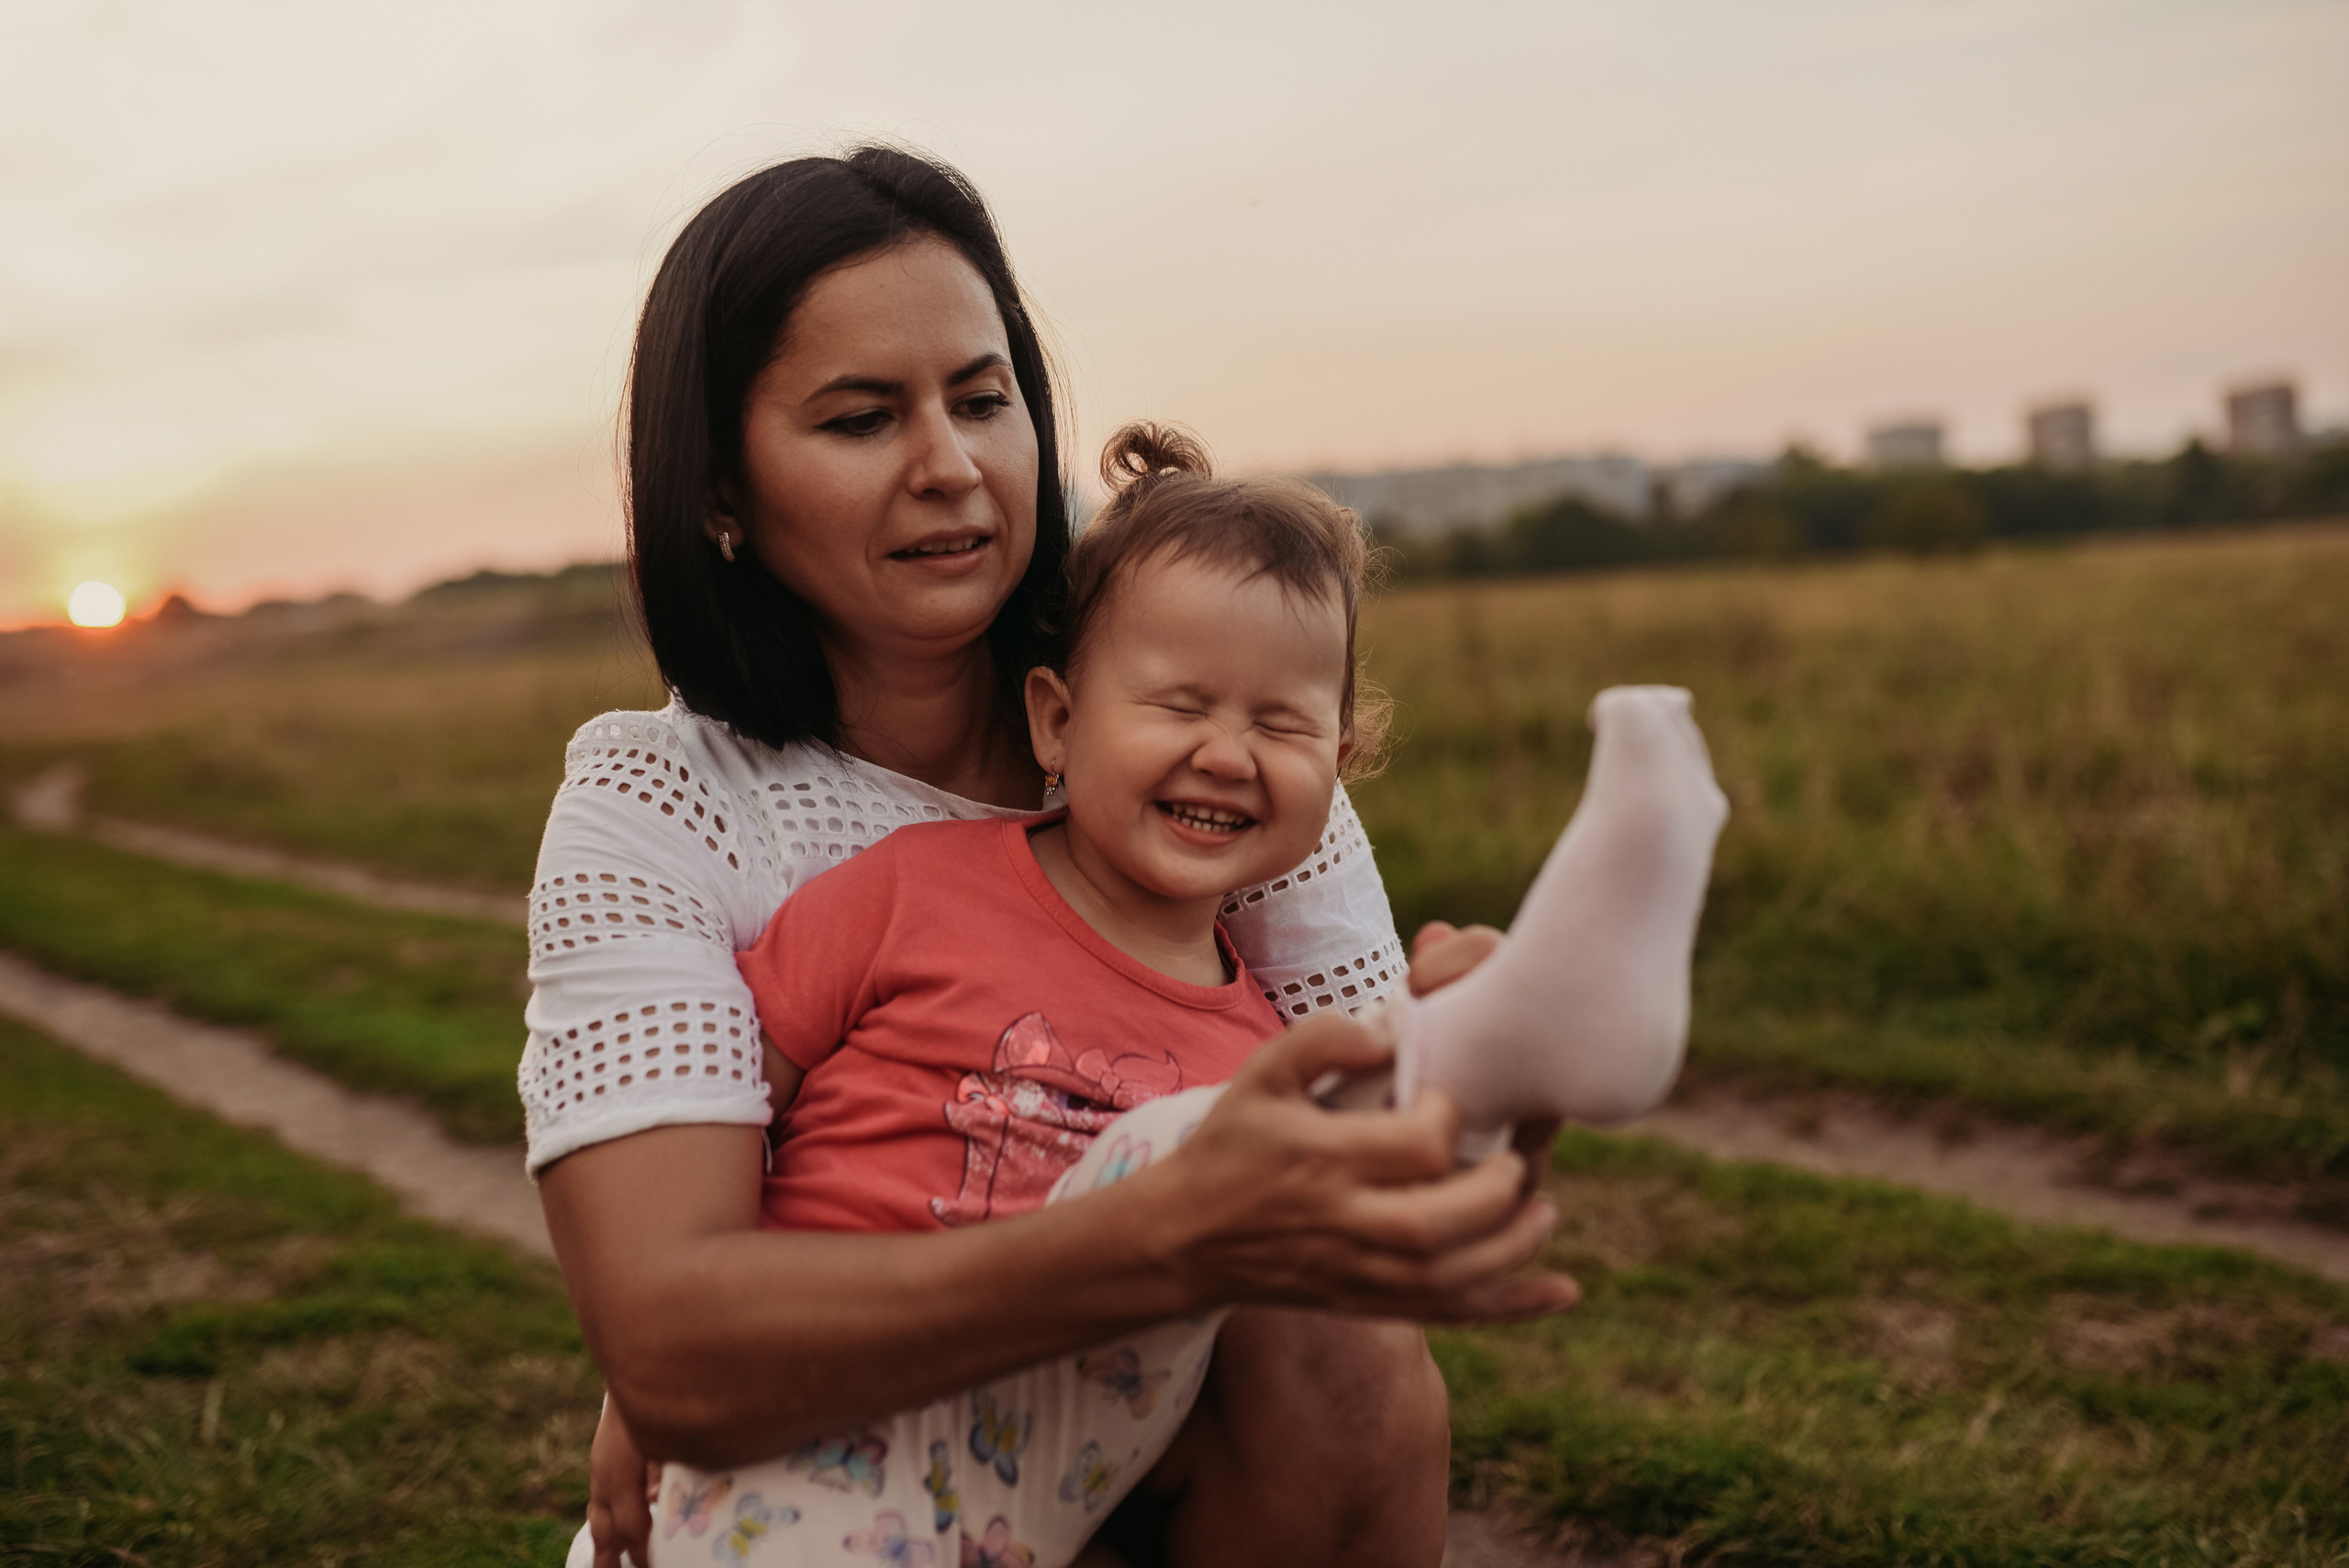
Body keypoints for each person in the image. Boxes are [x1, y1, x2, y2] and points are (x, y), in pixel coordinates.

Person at [528, 146, 1587, 1568]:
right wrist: (1162, 1238)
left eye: (983, 399)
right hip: (816, 1508)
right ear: (722, 487)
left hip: (1143, 1463)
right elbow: (677, 1347)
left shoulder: (1197, 751)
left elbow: (1360, 1176)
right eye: (861, 418)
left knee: (1344, 1328)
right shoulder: (658, 801)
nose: (951, 466)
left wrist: (1478, 1079)